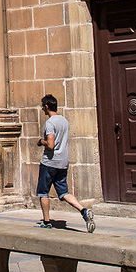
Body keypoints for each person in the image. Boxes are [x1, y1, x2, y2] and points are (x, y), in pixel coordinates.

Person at [35, 94, 95, 232]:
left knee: (43, 192)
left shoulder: (50, 123)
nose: (42, 109)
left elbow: (50, 144)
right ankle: (83, 211)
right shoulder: (64, 121)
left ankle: (46, 221)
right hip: (63, 162)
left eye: (42, 106)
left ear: (46, 106)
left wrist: (41, 142)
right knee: (64, 192)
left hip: (49, 162)